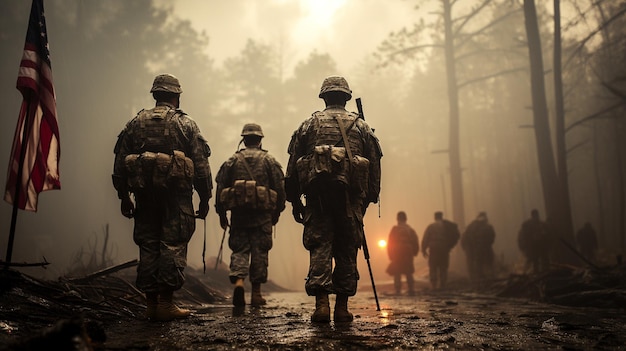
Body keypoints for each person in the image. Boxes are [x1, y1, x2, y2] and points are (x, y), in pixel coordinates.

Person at [112, 73, 212, 321]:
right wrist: (205, 197)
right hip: (176, 199)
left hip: (144, 198)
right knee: (172, 245)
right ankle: (166, 304)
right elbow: (201, 166)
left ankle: (151, 305)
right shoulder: (186, 124)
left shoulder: (135, 123)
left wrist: (124, 196)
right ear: (176, 96)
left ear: (155, 94)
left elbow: (119, 166)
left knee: (148, 247)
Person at [285, 76, 382, 323]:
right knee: (347, 250)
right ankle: (342, 307)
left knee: (320, 247)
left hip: (318, 200)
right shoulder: (362, 127)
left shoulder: (308, 125)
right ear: (347, 97)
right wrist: (367, 199)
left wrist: (295, 201)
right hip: (351, 200)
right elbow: (374, 167)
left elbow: (293, 168)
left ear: (324, 97)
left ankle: (321, 306)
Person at [215, 123, 286, 307]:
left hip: (239, 215)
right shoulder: (269, 161)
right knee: (260, 253)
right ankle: (256, 294)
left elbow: (220, 187)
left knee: (240, 250)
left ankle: (239, 282)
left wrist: (222, 214)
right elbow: (280, 188)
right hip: (262, 217)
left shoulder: (232, 160)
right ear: (260, 140)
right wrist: (277, 212)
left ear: (244, 139)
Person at [421, 211, 460, 290]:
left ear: (435, 217)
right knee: (443, 267)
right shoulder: (447, 226)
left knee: (433, 267)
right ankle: (443, 285)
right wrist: (450, 246)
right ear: (442, 217)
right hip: (444, 249)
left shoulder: (431, 227)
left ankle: (434, 285)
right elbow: (455, 236)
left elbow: (425, 239)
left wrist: (423, 250)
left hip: (434, 250)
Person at [386, 211, 419, 295]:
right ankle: (411, 288)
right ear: (406, 219)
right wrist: (415, 252)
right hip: (408, 251)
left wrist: (390, 254)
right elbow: (415, 241)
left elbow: (390, 242)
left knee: (397, 271)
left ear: (397, 219)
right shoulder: (410, 229)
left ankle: (398, 289)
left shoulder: (395, 229)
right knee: (408, 271)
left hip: (397, 251)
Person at [461, 212, 496, 286]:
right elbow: (491, 239)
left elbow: (464, 240)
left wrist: (467, 250)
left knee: (475, 267)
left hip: (472, 251)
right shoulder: (488, 227)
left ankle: (475, 282)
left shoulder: (470, 226)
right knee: (485, 265)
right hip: (483, 250)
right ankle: (485, 282)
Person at [517, 209, 550, 274]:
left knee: (544, 261)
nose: (536, 217)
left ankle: (545, 272)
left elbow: (547, 236)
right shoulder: (528, 225)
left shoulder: (542, 225)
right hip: (533, 247)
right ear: (532, 216)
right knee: (535, 262)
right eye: (535, 215)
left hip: (541, 247)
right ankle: (534, 273)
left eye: (537, 215)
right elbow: (524, 237)